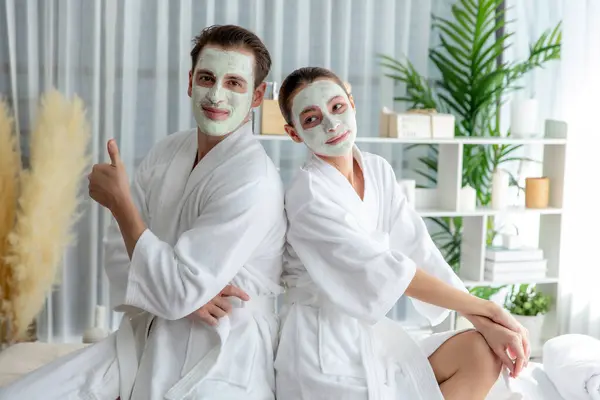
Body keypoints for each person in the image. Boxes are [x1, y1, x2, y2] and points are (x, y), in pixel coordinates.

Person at [0, 25, 286, 400]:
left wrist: (121, 206)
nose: (216, 94)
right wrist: (181, 297)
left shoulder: (254, 179)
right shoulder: (168, 152)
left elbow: (174, 288)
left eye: (234, 82)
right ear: (189, 82)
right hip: (148, 331)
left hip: (226, 345)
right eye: (207, 78)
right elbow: (119, 255)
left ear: (257, 95)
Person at [273, 67, 530, 400]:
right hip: (320, 346)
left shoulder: (378, 170)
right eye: (311, 119)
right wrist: (489, 310)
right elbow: (387, 272)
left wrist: (482, 321)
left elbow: (417, 249)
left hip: (371, 339)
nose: (331, 124)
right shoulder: (307, 195)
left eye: (337, 107)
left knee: (480, 354)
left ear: (352, 103)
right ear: (293, 133)